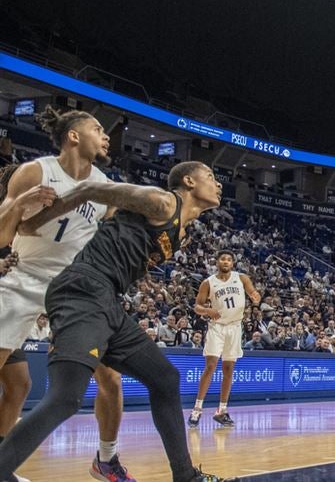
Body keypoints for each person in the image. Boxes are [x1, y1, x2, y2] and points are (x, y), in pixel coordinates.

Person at [0, 161, 235, 482]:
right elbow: (92, 190)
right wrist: (32, 223)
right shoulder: (163, 201)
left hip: (104, 300)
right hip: (82, 291)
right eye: (211, 176)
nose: (218, 184)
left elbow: (116, 227)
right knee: (67, 397)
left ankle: (186, 476)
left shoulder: (181, 232)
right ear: (189, 181)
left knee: (165, 379)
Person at [0, 107, 134, 482]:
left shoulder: (106, 187)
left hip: (74, 289)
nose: (105, 136)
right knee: (16, 382)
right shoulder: (37, 172)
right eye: (97, 128)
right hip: (24, 276)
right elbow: (2, 236)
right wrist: (19, 204)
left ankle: (105, 459)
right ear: (73, 136)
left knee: (110, 377)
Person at [189, 250, 261, 428]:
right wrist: (207, 310)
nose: (226, 262)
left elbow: (253, 293)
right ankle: (197, 409)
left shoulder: (241, 278)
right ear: (217, 262)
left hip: (235, 327)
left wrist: (255, 297)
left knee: (228, 369)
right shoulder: (208, 283)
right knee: (211, 366)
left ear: (233, 263)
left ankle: (222, 411)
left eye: (229, 259)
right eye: (223, 259)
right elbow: (197, 306)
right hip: (217, 327)